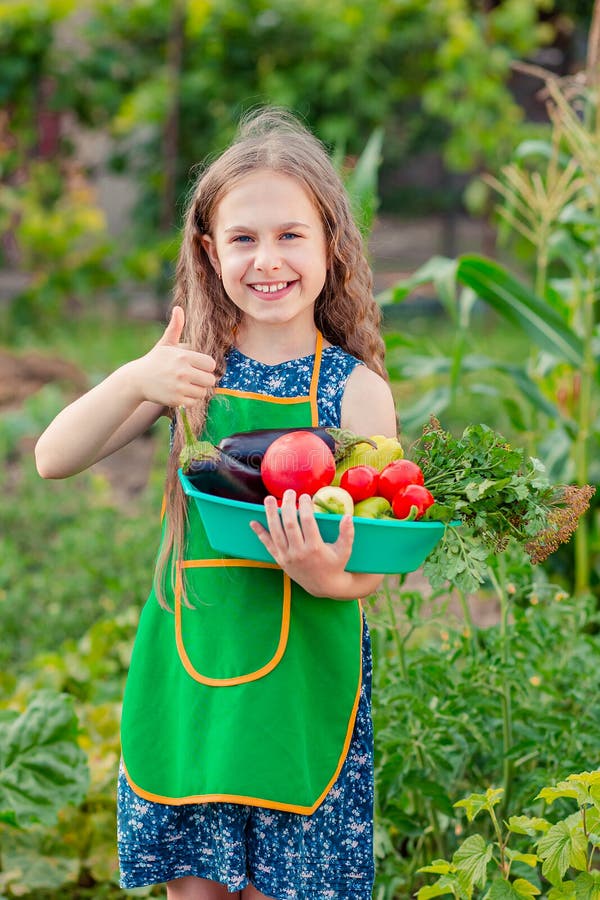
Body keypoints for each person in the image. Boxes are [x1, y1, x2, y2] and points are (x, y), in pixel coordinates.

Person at [35, 107, 397, 900]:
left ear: (332, 243)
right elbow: (53, 456)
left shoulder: (357, 393)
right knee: (195, 891)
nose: (268, 259)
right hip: (193, 671)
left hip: (301, 685)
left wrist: (323, 573)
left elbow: (370, 567)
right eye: (243, 238)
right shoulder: (185, 371)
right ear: (210, 250)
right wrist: (136, 379)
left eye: (291, 235)